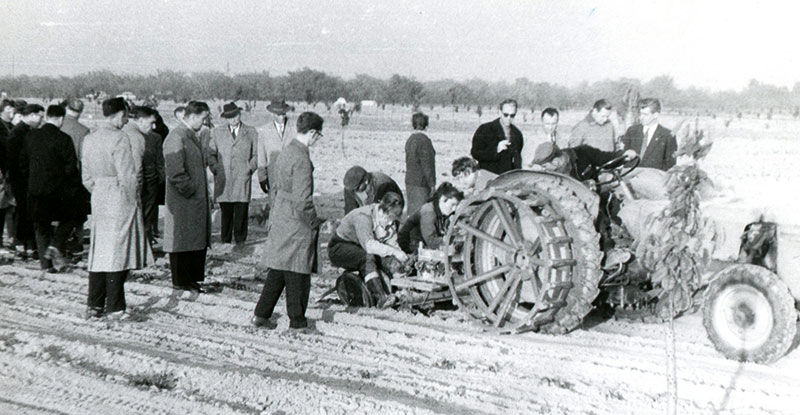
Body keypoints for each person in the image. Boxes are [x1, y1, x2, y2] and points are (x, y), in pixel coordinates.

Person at [252, 112, 325, 330]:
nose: (318, 139)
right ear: (311, 132)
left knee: (278, 269)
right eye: (318, 135)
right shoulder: (302, 159)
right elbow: (303, 201)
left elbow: (275, 188)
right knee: (298, 272)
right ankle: (298, 323)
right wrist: (315, 221)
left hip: (281, 216)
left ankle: (261, 315)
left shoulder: (285, 152)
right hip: (296, 223)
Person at [82, 97, 152, 319]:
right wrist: (133, 200)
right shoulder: (119, 138)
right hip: (119, 197)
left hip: (99, 196)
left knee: (98, 252)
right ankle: (115, 307)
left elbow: (86, 177)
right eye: (125, 116)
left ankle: (93, 304)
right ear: (120, 114)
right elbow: (128, 175)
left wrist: (100, 190)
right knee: (118, 253)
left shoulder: (89, 138)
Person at [21, 105, 82, 271]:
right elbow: (71, 169)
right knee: (68, 219)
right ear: (60, 119)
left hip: (35, 190)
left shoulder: (30, 137)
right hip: (58, 191)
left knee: (41, 227)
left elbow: (23, 164)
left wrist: (31, 182)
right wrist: (75, 187)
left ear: (47, 116)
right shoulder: (64, 139)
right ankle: (56, 245)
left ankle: (45, 265)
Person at [163, 101, 212, 293]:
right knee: (182, 241)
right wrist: (191, 190)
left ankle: (191, 279)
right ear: (192, 117)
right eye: (202, 117)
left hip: (194, 200)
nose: (204, 121)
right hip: (184, 201)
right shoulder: (176, 137)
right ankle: (181, 280)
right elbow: (175, 172)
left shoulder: (190, 136)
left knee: (193, 240)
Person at [328, 192, 407, 308]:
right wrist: (394, 252)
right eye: (389, 217)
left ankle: (400, 290)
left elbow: (392, 243)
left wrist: (401, 259)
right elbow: (369, 245)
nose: (391, 222)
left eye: (394, 217)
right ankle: (381, 297)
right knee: (367, 257)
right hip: (340, 247)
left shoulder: (389, 219)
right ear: (382, 210)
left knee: (390, 260)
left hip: (360, 247)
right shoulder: (363, 216)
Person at [209, 102, 258, 245]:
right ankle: (226, 240)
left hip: (242, 177)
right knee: (226, 211)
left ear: (240, 114)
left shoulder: (251, 131)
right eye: (230, 117)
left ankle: (240, 240)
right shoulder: (218, 132)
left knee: (241, 210)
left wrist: (250, 168)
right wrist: (216, 168)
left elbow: (256, 154)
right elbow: (211, 154)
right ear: (225, 118)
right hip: (224, 178)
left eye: (235, 116)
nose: (233, 119)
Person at [7, 103, 44, 259]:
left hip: (23, 178)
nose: (42, 120)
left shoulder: (26, 131)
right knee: (23, 212)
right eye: (40, 116)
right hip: (21, 179)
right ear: (33, 115)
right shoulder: (20, 133)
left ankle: (26, 244)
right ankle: (21, 244)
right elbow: (14, 159)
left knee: (26, 212)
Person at [124, 106, 164, 244]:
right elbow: (137, 167)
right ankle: (144, 248)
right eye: (150, 123)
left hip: (147, 180)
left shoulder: (125, 132)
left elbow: (159, 160)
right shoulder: (137, 137)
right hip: (142, 182)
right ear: (140, 120)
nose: (153, 127)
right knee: (144, 217)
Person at [59, 98, 91, 255]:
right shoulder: (83, 130)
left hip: (55, 177)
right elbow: (84, 158)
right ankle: (76, 242)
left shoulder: (56, 125)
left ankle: (58, 243)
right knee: (78, 213)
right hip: (75, 177)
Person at [398, 182, 464, 254]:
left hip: (423, 242)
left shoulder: (443, 211)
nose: (454, 209)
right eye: (452, 205)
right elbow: (431, 241)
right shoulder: (429, 212)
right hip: (411, 245)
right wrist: (450, 238)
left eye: (456, 205)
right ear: (443, 199)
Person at [529, 142, 636, 182]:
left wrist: (624, 155)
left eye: (545, 166)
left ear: (556, 162)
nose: (544, 170)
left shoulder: (584, 152)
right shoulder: (549, 177)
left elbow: (605, 158)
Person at [621, 98, 677, 171]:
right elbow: (625, 156)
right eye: (640, 114)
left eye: (645, 114)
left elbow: (670, 164)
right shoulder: (632, 130)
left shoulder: (667, 135)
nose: (641, 117)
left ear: (655, 115)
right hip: (630, 177)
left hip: (653, 178)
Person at [470, 98, 523, 175]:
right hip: (488, 177)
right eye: (506, 115)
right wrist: (496, 150)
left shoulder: (517, 134)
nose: (509, 118)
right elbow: (475, 153)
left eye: (512, 115)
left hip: (507, 180)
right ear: (500, 112)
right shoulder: (485, 129)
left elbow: (517, 160)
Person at [256, 99, 291, 199]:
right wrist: (262, 176)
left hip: (291, 176)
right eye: (279, 114)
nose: (282, 117)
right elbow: (261, 156)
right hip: (273, 176)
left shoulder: (294, 129)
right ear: (273, 114)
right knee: (274, 207)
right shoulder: (264, 131)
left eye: (283, 114)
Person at [404, 112, 436, 216]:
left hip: (409, 181)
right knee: (421, 214)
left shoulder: (410, 140)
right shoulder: (424, 141)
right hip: (421, 183)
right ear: (426, 125)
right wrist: (432, 184)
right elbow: (428, 165)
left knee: (411, 213)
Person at [0, 99, 16, 248]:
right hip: (2, 173)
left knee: (7, 208)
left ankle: (9, 238)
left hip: (8, 173)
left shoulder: (11, 127)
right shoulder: (1, 127)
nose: (13, 113)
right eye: (10, 110)